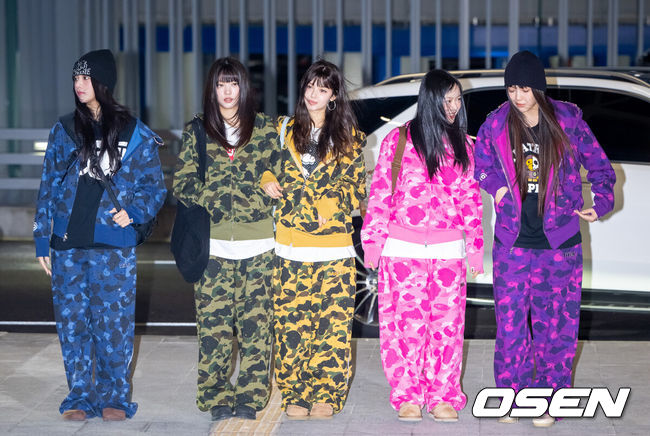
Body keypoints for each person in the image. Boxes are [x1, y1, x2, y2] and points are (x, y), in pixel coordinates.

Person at [473, 50, 616, 427]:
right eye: (511, 89)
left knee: (556, 329)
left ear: (539, 87)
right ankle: (511, 395)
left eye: (524, 89)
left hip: (559, 244)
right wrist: (498, 190)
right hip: (512, 242)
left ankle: (549, 399)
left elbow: (600, 166)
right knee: (510, 327)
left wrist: (601, 202)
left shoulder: (568, 121)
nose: (518, 97)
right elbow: (481, 165)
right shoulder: (496, 123)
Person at [33, 49, 166, 421]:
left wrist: (133, 212)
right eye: (76, 78)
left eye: (86, 78)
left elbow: (154, 187)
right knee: (72, 324)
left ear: (103, 82)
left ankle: (115, 397)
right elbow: (47, 187)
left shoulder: (133, 132)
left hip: (113, 244)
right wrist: (42, 237)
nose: (79, 85)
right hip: (67, 244)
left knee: (113, 325)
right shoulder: (63, 129)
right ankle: (79, 395)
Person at [360, 69, 483, 423]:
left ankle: (443, 395)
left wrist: (475, 247)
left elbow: (471, 201)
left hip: (448, 253)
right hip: (402, 251)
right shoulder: (397, 140)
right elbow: (380, 194)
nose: (454, 107)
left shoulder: (465, 145)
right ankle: (408, 396)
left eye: (457, 100)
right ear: (430, 100)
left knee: (446, 329)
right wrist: (372, 243)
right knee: (405, 330)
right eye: (447, 100)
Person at [173, 57, 281, 422]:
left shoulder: (265, 128)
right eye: (221, 84)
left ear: (244, 87)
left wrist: (265, 184)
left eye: (233, 83)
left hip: (259, 247)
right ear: (212, 89)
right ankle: (215, 394)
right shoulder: (198, 130)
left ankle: (251, 395)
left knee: (256, 328)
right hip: (214, 247)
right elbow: (183, 183)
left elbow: (280, 172)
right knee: (214, 329)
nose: (228, 91)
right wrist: (215, 199)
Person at [261, 59, 366, 420]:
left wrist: (332, 201)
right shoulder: (283, 130)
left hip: (334, 250)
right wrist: (266, 179)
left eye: (323, 89)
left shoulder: (349, 138)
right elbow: (262, 164)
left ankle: (327, 394)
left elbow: (357, 188)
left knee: (332, 328)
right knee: (291, 326)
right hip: (289, 248)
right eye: (309, 86)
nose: (313, 94)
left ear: (334, 96)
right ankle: (295, 392)